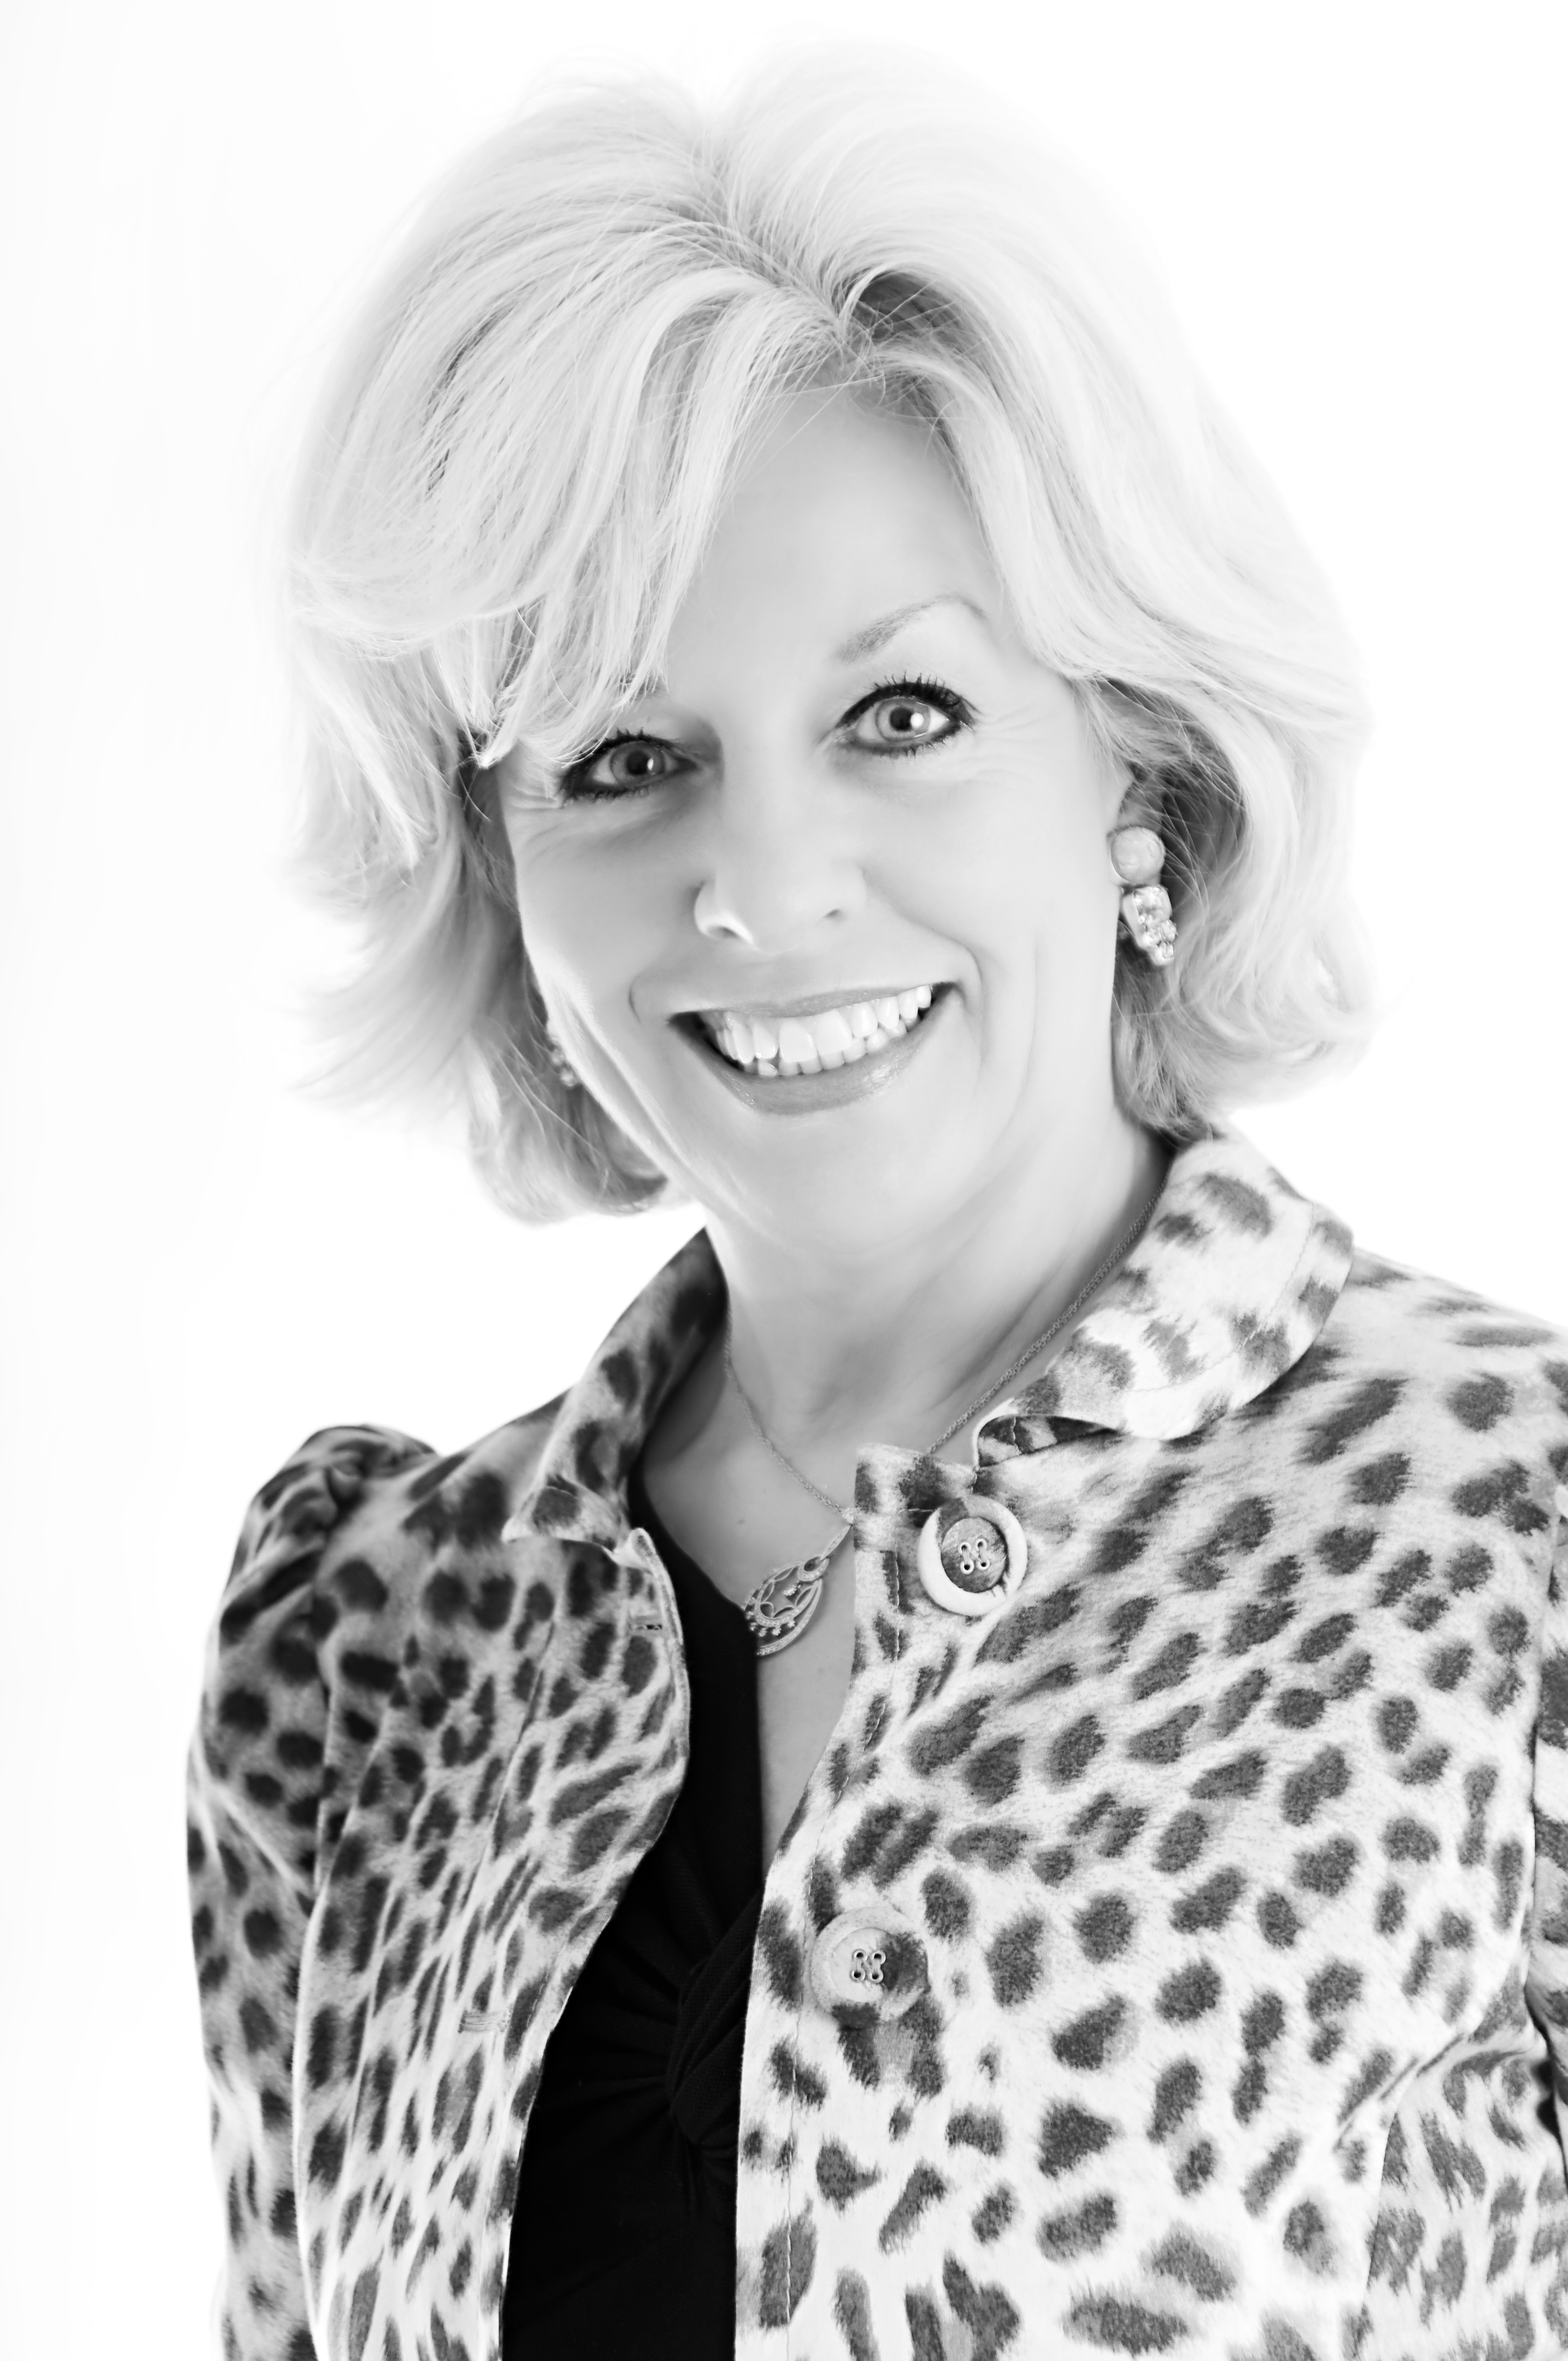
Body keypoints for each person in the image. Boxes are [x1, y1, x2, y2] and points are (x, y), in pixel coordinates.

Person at [186, 50, 1568, 2361]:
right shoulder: (365, 1649)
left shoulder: (1514, 1546)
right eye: (629, 761)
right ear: (503, 887)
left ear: (1137, 764)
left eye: (901, 714)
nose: (762, 887)